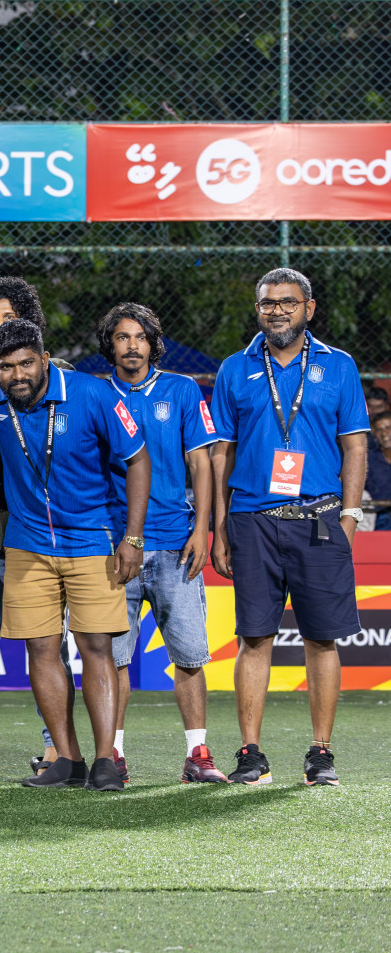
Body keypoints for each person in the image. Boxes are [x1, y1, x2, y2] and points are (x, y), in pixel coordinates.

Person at [0, 319, 150, 792]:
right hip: (27, 543)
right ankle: (68, 760)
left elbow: (138, 459)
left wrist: (133, 539)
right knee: (41, 649)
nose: (18, 375)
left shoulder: (94, 394)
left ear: (45, 360)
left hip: (92, 540)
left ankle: (106, 760)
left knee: (96, 648)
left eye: (27, 363)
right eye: (6, 367)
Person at [210, 268, 368, 787]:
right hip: (252, 520)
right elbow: (222, 452)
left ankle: (320, 753)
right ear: (258, 309)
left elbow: (355, 446)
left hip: (320, 518)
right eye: (268, 303)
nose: (277, 310)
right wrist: (218, 526)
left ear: (309, 308)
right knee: (254, 637)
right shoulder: (235, 368)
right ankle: (250, 753)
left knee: (322, 640)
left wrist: (350, 515)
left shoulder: (339, 366)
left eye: (287, 302)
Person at [97, 303, 226, 784]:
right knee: (114, 660)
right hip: (115, 547)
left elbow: (201, 463)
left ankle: (197, 754)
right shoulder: (96, 393)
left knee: (189, 657)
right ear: (110, 344)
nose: (132, 346)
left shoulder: (182, 389)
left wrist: (201, 530)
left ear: (154, 344)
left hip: (176, 543)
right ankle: (113, 755)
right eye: (122, 337)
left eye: (141, 337)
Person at [0, 275, 75, 774]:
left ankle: (57, 746)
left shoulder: (57, 375)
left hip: (50, 526)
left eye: (9, 316)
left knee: (48, 641)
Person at [363, 410, 391, 531]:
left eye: (388, 428)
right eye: (379, 430)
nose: (384, 433)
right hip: (378, 517)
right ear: (374, 434)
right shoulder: (368, 459)